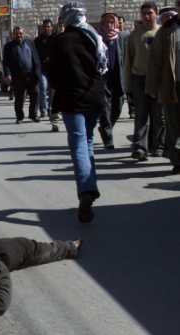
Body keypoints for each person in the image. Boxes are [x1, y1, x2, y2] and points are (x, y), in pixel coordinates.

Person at [48, 2, 107, 223]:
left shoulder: (60, 41)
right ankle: (89, 186)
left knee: (79, 143)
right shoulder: (95, 38)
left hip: (72, 100)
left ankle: (86, 191)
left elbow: (52, 74)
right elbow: (104, 67)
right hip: (95, 98)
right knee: (88, 140)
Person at [125, 1, 165, 161]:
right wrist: (127, 84)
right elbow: (129, 59)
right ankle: (140, 148)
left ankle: (158, 146)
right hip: (139, 79)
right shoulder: (135, 34)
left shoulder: (163, 33)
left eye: (150, 13)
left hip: (159, 80)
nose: (147, 16)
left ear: (156, 13)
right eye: (144, 13)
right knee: (141, 115)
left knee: (158, 115)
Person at [146, 3, 180, 174]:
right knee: (173, 124)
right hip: (172, 84)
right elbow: (155, 62)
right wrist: (152, 86)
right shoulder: (166, 30)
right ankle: (177, 160)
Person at [3, 26, 42, 124]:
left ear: (23, 34)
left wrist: (38, 72)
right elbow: (5, 63)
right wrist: (7, 74)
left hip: (32, 76)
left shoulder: (29, 43)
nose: (19, 35)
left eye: (20, 33)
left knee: (35, 95)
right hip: (18, 77)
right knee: (19, 98)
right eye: (16, 34)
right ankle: (19, 116)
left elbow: (36, 58)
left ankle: (33, 114)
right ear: (13, 35)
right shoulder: (8, 46)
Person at [97, 13, 125, 150]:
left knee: (118, 106)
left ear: (116, 24)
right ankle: (108, 138)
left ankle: (104, 128)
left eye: (111, 22)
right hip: (103, 79)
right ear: (102, 25)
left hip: (119, 78)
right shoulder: (97, 39)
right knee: (105, 108)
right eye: (105, 23)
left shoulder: (123, 38)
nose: (109, 25)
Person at [34, 19, 54, 121]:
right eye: (44, 27)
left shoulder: (55, 39)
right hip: (41, 69)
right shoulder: (37, 40)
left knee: (51, 90)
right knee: (43, 87)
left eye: (48, 26)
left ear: (51, 27)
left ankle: (51, 109)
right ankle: (43, 110)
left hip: (53, 69)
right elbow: (34, 54)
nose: (46, 28)